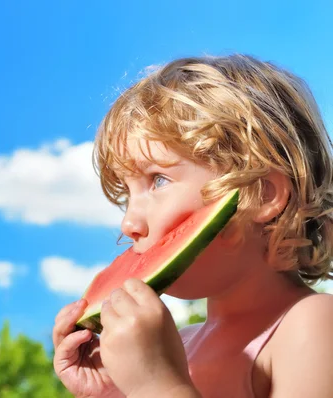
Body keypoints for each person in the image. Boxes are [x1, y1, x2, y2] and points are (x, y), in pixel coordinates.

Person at [52, 54, 333, 398]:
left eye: (158, 181)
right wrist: (114, 391)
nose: (128, 223)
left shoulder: (312, 324)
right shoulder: (179, 343)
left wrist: (158, 385)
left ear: (262, 194)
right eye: (127, 194)